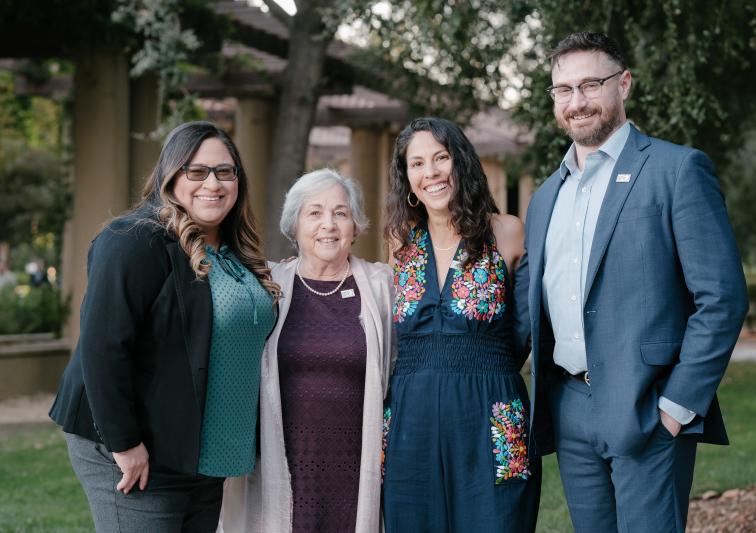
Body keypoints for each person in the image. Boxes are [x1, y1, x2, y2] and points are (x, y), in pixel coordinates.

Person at [514, 32, 749, 532]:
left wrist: (676, 406)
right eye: (563, 90)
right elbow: (527, 312)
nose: (577, 102)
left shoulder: (676, 170)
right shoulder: (544, 198)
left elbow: (722, 299)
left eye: (590, 85)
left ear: (624, 84)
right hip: (571, 412)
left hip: (649, 411)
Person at [49, 121, 280, 533]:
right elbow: (103, 348)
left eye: (225, 171)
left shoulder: (232, 252)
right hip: (138, 447)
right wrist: (125, 443)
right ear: (170, 176)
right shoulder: (134, 241)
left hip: (203, 453)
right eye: (197, 171)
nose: (213, 182)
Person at [382, 117, 539, 532]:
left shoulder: (506, 232)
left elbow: (524, 329)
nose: (430, 172)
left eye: (440, 157)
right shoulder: (400, 241)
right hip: (410, 417)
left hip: (489, 407)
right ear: (407, 177)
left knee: (498, 519)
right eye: (416, 164)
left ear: (461, 162)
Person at [223, 168, 394, 532]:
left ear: (356, 225)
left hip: (356, 464)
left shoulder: (381, 287)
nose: (328, 224)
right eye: (314, 213)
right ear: (295, 224)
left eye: (340, 213)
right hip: (286, 459)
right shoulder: (268, 286)